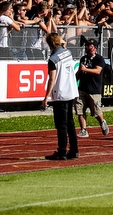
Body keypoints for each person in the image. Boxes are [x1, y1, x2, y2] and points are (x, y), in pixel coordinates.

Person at [42, 33, 79, 161]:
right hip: (71, 91)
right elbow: (63, 44)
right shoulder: (67, 52)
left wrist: (46, 97)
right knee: (70, 123)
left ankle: (62, 151)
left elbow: (51, 79)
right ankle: (74, 150)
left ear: (50, 44)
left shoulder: (53, 59)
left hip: (60, 93)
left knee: (61, 125)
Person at [75, 39, 109, 138]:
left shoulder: (99, 59)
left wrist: (85, 69)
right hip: (82, 88)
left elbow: (98, 71)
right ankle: (83, 130)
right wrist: (76, 76)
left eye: (89, 46)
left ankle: (102, 122)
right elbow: (80, 71)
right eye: (86, 46)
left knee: (96, 111)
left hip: (94, 89)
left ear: (95, 48)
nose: (87, 47)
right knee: (80, 109)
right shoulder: (83, 58)